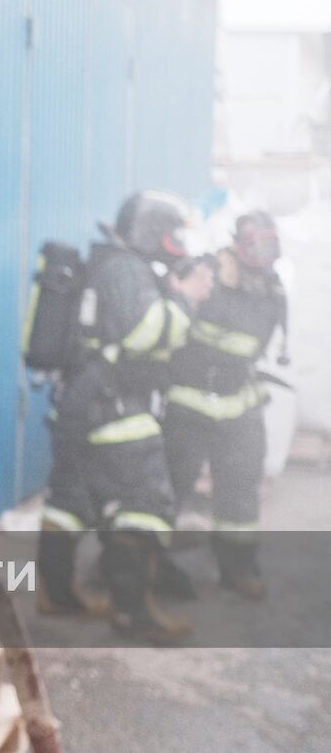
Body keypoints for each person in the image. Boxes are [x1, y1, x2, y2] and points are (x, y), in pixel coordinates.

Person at [36, 190, 209, 642]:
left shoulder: (108, 265)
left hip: (78, 402)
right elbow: (145, 332)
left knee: (71, 501)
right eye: (172, 234)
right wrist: (187, 299)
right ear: (153, 231)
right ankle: (134, 611)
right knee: (144, 502)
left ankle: (56, 594)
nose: (177, 244)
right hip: (114, 407)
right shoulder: (126, 269)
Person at [164, 211, 286, 599]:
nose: (263, 255)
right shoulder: (208, 272)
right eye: (256, 245)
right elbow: (174, 317)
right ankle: (140, 565)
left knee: (240, 492)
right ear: (238, 242)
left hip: (239, 404)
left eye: (269, 245)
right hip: (189, 399)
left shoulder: (272, 286)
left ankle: (238, 568)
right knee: (167, 487)